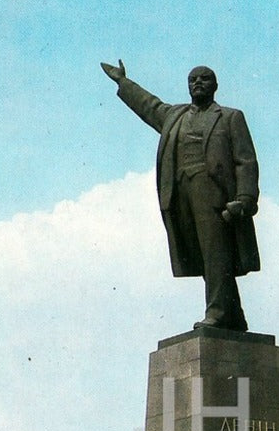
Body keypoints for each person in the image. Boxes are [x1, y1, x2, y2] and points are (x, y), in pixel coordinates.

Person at [101, 60, 260, 332]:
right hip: (183, 195)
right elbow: (148, 105)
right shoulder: (174, 116)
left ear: (215, 85)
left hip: (215, 196)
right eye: (193, 79)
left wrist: (245, 198)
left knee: (215, 254)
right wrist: (123, 83)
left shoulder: (231, 117)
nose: (198, 82)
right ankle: (233, 315)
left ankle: (219, 313)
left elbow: (245, 160)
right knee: (210, 256)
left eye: (204, 78)